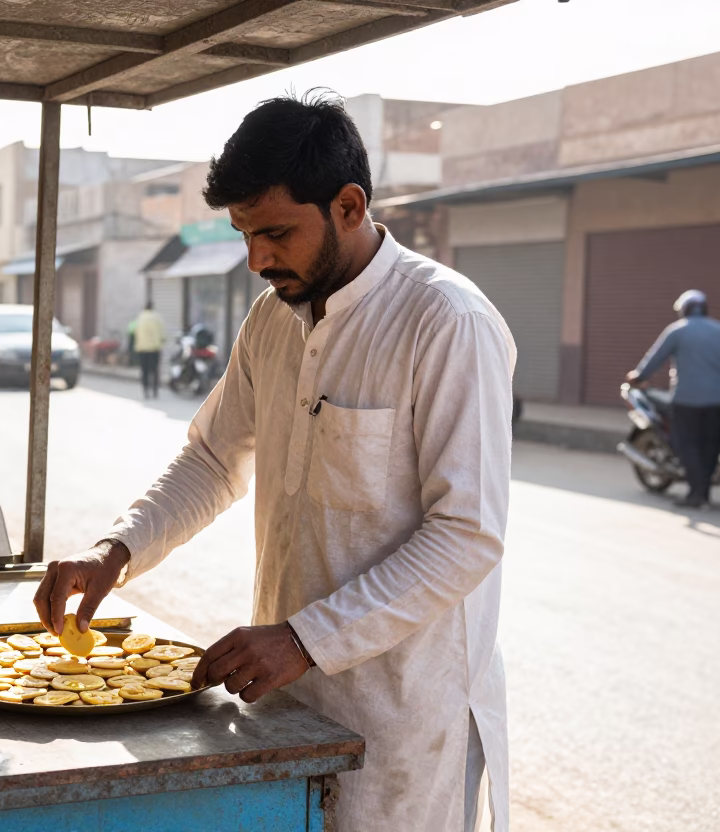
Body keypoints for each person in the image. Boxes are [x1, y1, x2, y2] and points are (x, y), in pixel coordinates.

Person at [33, 92, 516, 832]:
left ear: (349, 207)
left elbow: (466, 534)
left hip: (399, 723)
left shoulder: (446, 321)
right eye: (245, 235)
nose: (257, 259)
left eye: (277, 234)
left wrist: (305, 639)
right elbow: (212, 460)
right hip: (284, 703)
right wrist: (116, 551)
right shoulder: (270, 320)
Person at [627, 289, 720, 509]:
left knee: (687, 445)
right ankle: (704, 494)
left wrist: (638, 376)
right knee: (711, 445)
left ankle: (695, 494)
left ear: (683, 310)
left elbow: (654, 360)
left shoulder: (677, 331)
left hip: (686, 401)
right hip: (718, 401)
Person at [130, 301, 166, 399]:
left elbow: (133, 331)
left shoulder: (140, 318)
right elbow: (162, 333)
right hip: (155, 348)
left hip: (142, 348)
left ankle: (145, 390)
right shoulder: (157, 318)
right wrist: (162, 340)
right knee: (154, 370)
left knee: (144, 370)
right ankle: (155, 390)